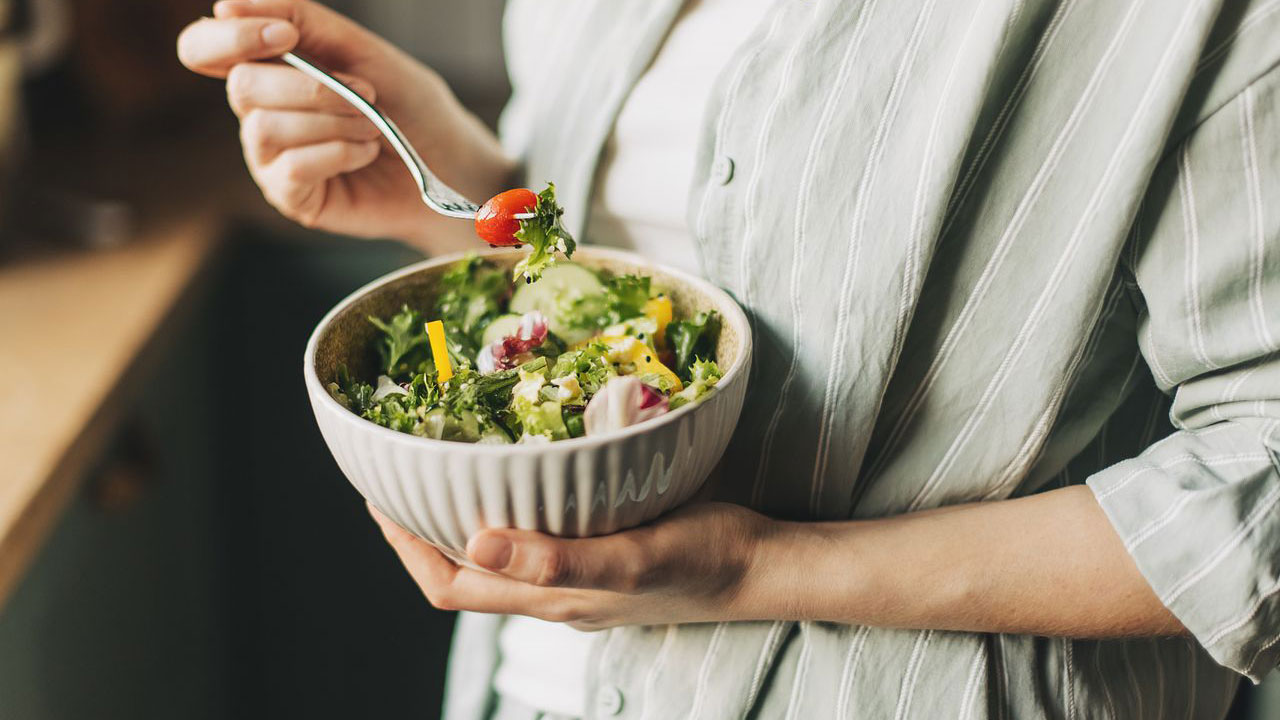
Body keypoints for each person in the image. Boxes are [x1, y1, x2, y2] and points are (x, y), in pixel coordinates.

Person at [178, 0, 1280, 717]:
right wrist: (454, 185)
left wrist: (758, 570)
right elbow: (641, 271)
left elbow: (1261, 480)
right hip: (544, 686)